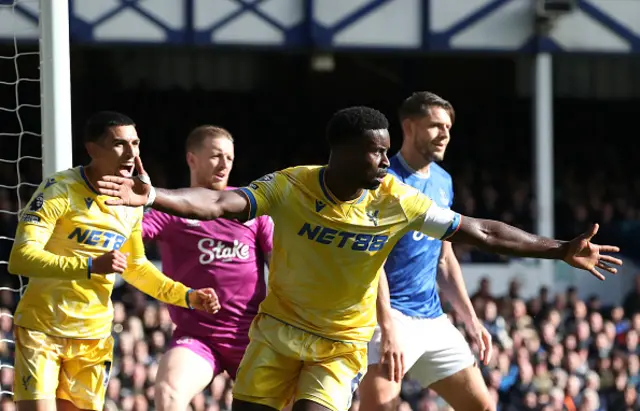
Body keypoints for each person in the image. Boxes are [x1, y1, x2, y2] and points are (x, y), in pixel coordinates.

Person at [96, 106, 622, 411]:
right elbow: (218, 202)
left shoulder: (396, 199)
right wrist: (155, 195)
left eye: (386, 149)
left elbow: (477, 230)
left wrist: (557, 248)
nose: (383, 161)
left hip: (339, 346)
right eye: (374, 151)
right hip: (275, 332)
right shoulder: (291, 186)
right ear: (341, 152)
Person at [7, 111, 219, 411]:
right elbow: (20, 259)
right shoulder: (59, 190)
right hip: (43, 330)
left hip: (94, 338)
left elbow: (135, 266)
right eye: (120, 144)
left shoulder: (129, 202)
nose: (131, 153)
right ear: (93, 149)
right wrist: (90, 267)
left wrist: (185, 295)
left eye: (136, 143)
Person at [358, 92, 493, 411]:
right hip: (387, 317)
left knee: (483, 407)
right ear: (409, 126)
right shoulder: (383, 182)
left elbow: (444, 259)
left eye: (448, 126)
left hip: (432, 318)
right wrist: (387, 324)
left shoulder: (443, 181)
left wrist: (470, 319)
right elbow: (368, 259)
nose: (445, 133)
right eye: (435, 125)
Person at [142, 125, 274, 411]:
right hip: (199, 337)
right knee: (168, 392)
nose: (224, 163)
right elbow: (128, 234)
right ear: (192, 159)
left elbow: (282, 264)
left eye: (229, 156)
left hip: (254, 336)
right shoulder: (173, 207)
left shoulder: (250, 206)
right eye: (216, 155)